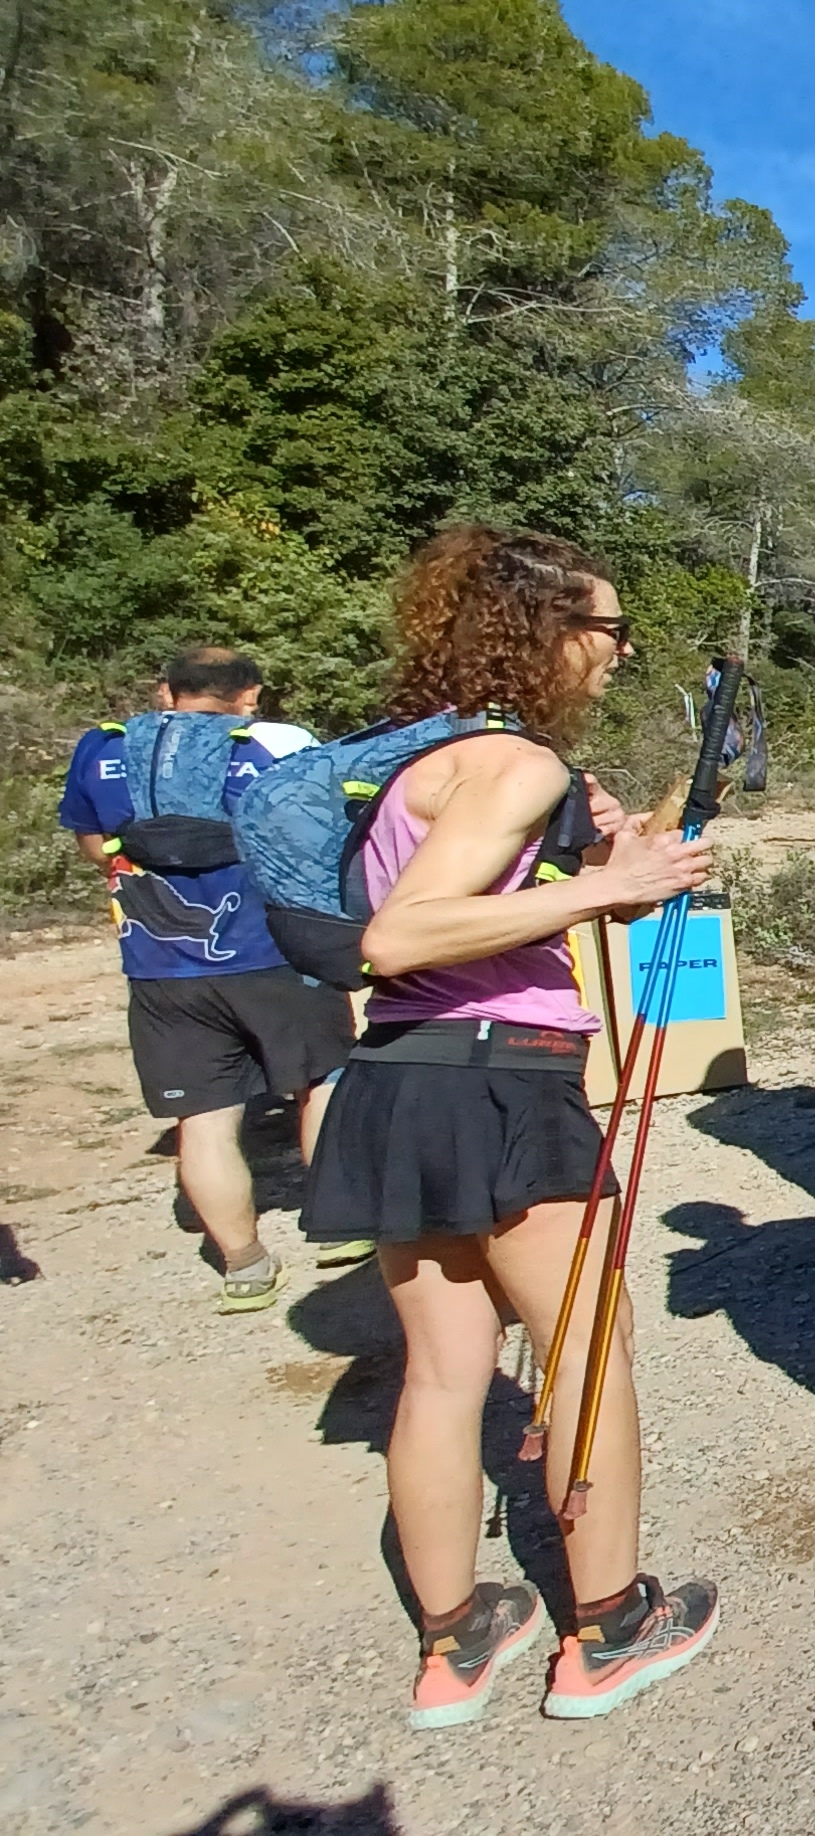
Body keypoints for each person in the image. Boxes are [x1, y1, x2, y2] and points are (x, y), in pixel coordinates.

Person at [300, 526, 719, 1727]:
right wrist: (602, 888)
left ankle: (455, 1641)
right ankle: (610, 1627)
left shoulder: (411, 766)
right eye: (609, 632)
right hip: (500, 1081)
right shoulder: (514, 764)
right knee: (588, 1349)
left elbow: (436, 917)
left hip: (398, 1077)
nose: (618, 657)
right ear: (544, 633)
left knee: (442, 1374)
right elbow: (403, 935)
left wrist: (603, 863)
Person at [59, 646, 360, 1313]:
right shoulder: (267, 746)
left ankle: (245, 1264)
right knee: (322, 1082)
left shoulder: (103, 750)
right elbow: (311, 840)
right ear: (249, 696)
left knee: (204, 1118)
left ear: (165, 690)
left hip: (159, 967)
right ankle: (342, 1226)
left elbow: (90, 845)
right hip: (272, 950)